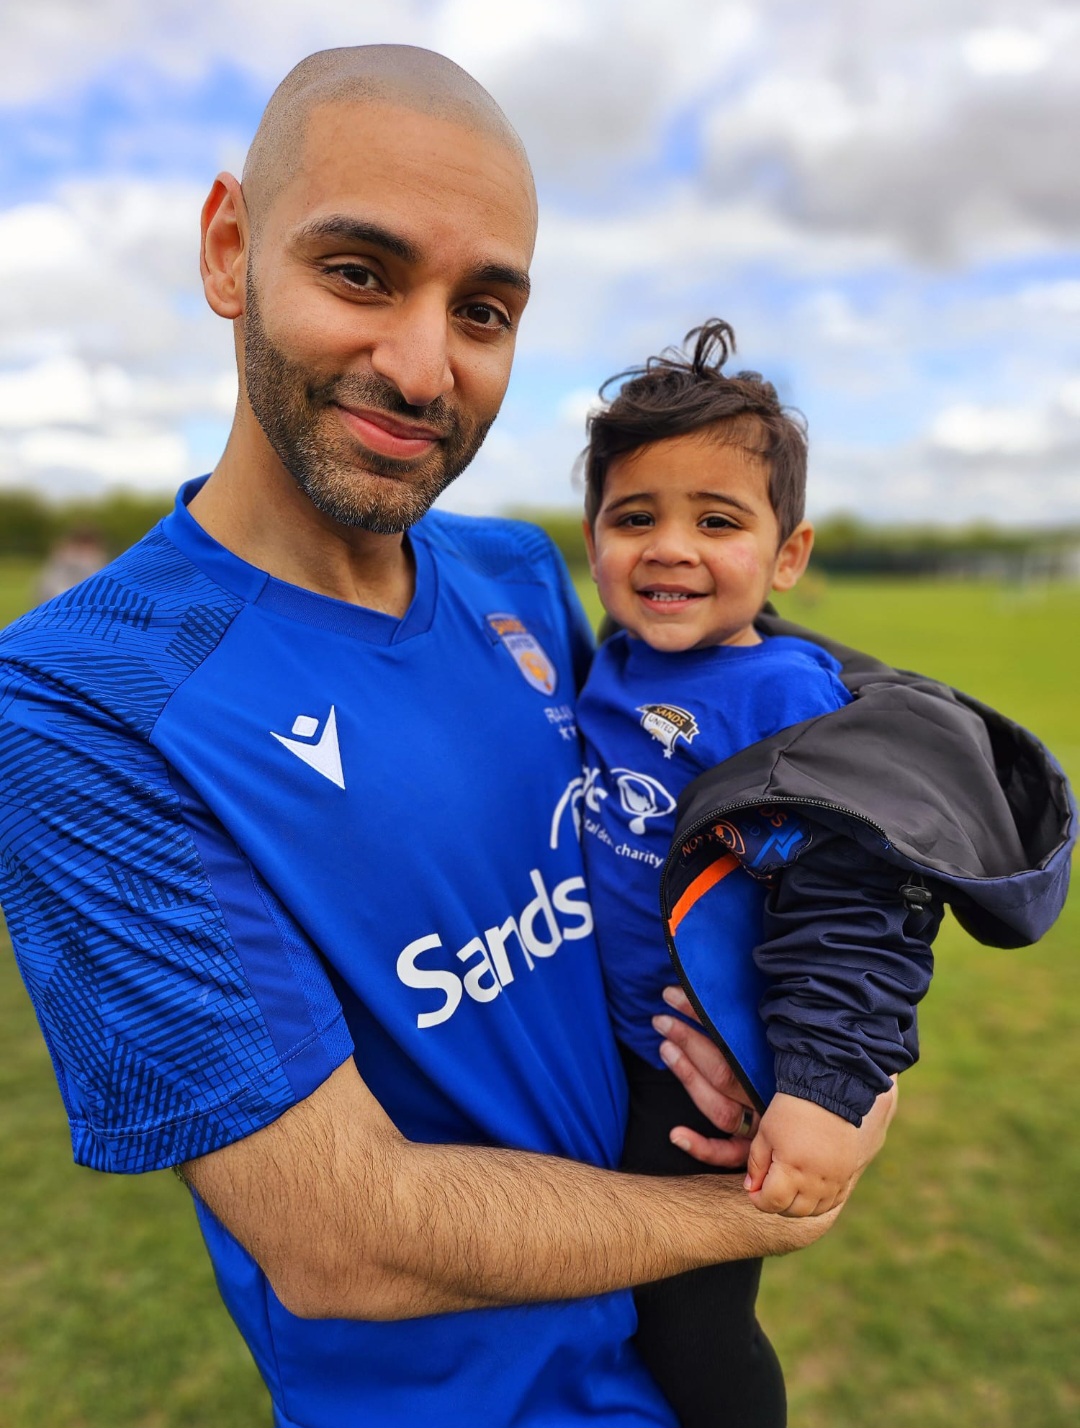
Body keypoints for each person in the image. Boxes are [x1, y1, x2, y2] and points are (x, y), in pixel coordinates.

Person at [0, 47, 898, 1428]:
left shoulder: (519, 573)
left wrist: (817, 1057)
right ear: (230, 250)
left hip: (679, 1363)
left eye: (483, 309)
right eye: (359, 273)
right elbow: (339, 1237)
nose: (424, 367)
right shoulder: (75, 698)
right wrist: (762, 1206)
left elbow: (706, 817)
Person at [575, 319, 1075, 1427]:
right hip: (603, 1051)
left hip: (694, 1078)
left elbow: (856, 901)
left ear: (788, 556)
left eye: (717, 520)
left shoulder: (785, 701)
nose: (669, 547)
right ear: (593, 535)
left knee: (690, 1326)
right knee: (597, 1308)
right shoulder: (611, 664)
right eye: (634, 516)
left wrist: (825, 1089)